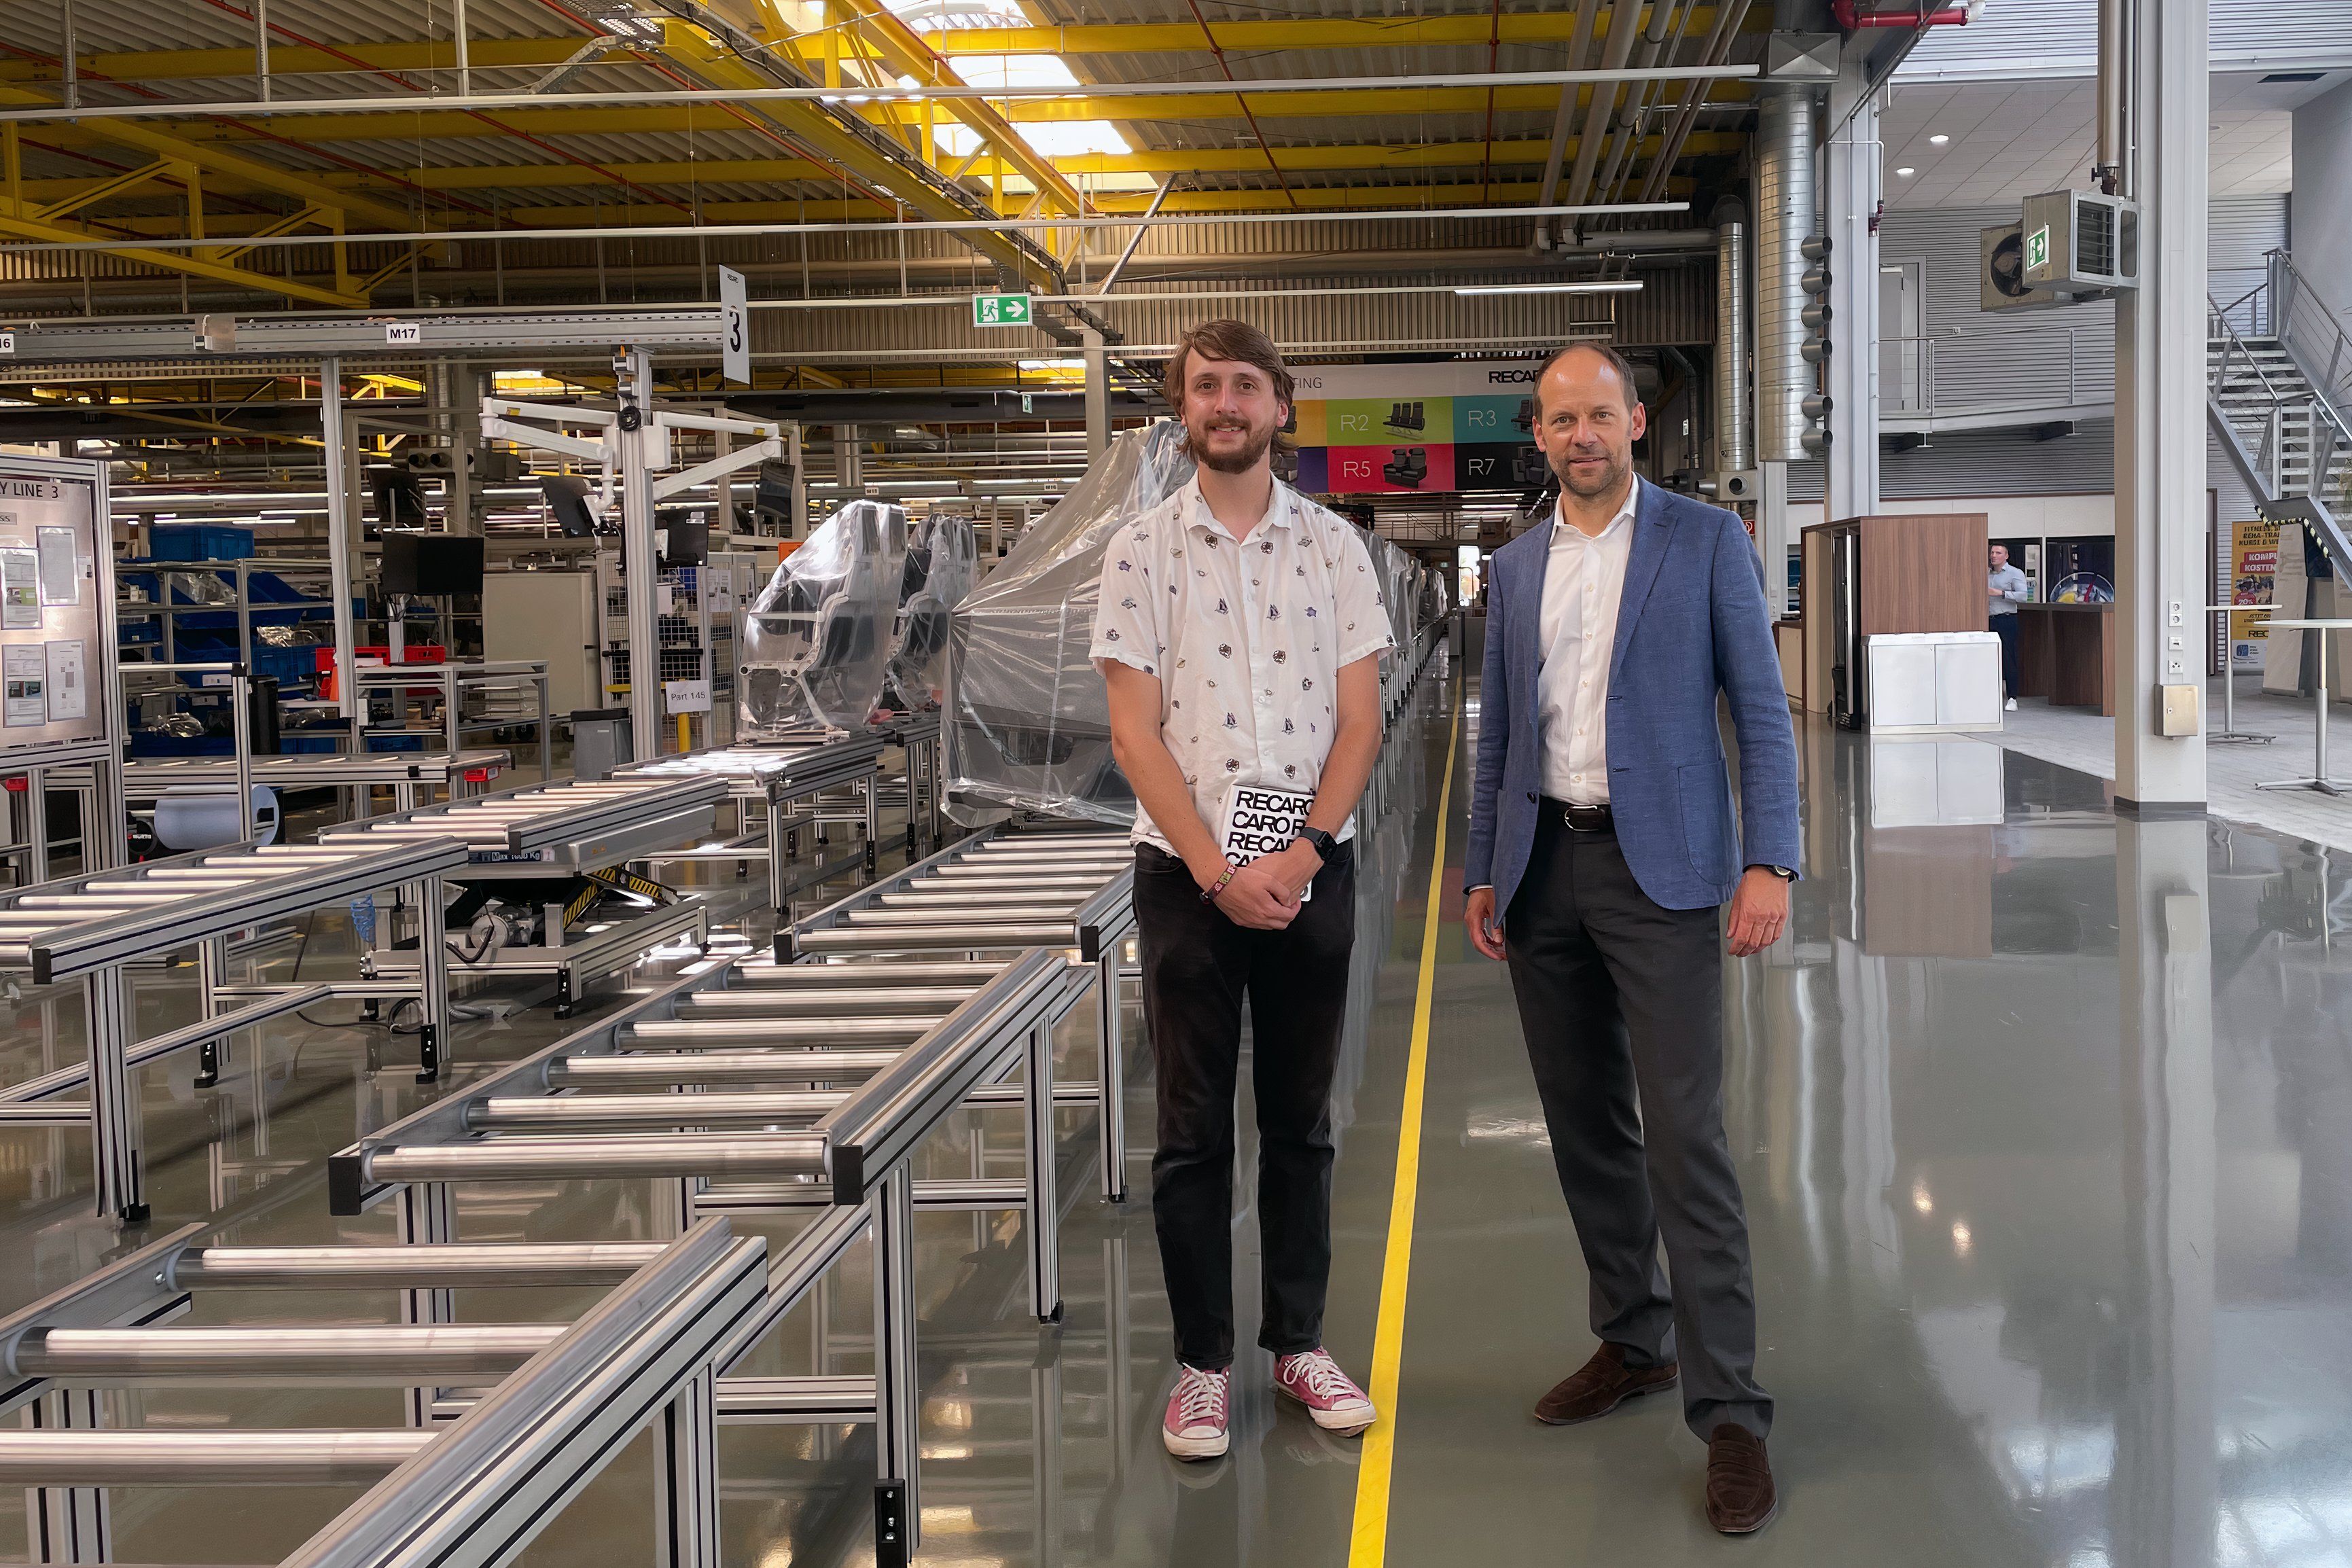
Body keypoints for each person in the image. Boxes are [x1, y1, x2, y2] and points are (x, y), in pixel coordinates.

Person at [1461, 342, 1800, 1535]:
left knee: (1684, 1137)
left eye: (1598, 412)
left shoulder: (1704, 543)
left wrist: (1770, 858)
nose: (1580, 434)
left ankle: (1733, 1411)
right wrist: (1480, 869)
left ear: (1636, 421)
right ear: (1540, 435)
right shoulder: (1508, 571)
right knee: (1586, 1128)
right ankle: (1633, 1338)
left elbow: (1759, 709)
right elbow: (1495, 729)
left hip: (1665, 875)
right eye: (1559, 418)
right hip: (1544, 866)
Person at [1091, 319, 1393, 1462]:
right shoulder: (1138, 553)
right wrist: (1219, 873)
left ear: (1281, 405)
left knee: (1301, 1124)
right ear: (1183, 409)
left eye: (1246, 385)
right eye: (1204, 385)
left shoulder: (1334, 549)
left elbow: (1359, 718)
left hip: (1312, 863)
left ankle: (1298, 1341)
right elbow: (1135, 734)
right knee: (1189, 1131)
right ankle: (1202, 1364)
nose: (1225, 402)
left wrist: (1304, 851)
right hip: (1187, 879)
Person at [1988, 544, 2030, 710]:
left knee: (2008, 657)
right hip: (1988, 620)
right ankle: (1991, 695)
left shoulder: (2015, 573)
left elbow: (2023, 597)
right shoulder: (1986, 573)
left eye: (1998, 553)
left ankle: (2012, 698)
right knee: (1989, 659)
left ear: (2006, 556)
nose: (1994, 556)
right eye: (1992, 552)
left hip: (2007, 619)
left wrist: (2000, 593)